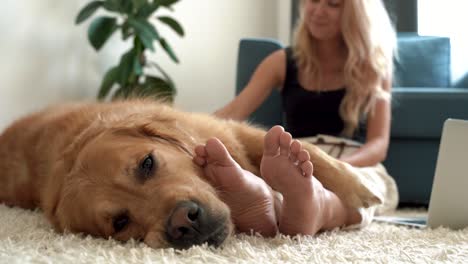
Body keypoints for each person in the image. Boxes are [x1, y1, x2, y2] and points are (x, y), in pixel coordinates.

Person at [194, 0, 399, 236]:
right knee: (285, 182)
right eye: (313, 1)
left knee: (363, 193)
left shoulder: (375, 66)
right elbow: (231, 114)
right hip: (297, 159)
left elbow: (378, 144)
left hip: (355, 160)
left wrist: (339, 170)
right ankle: (261, 199)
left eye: (333, 4)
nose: (318, 11)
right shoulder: (281, 61)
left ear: (355, 15)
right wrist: (190, 128)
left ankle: (316, 204)